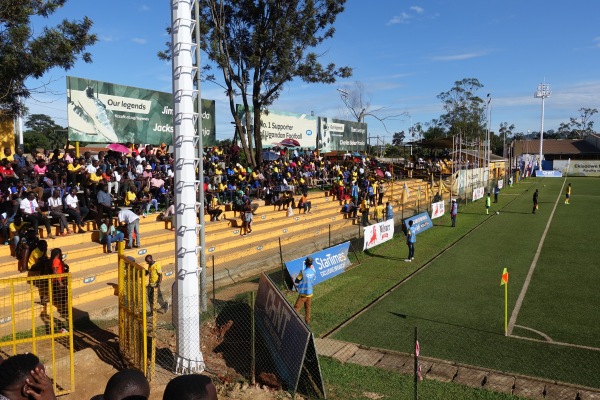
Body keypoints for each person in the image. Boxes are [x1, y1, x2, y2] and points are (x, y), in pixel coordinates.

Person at [293, 257, 317, 324]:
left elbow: (297, 280)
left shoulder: (302, 272)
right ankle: (307, 321)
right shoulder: (313, 272)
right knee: (308, 308)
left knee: (296, 308)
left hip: (303, 294)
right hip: (310, 293)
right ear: (311, 264)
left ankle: (292, 322)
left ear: (305, 263)